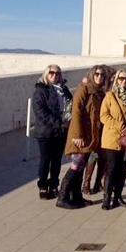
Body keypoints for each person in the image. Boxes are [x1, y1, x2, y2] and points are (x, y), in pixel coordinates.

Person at [57, 65, 106, 209]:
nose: (99, 77)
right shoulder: (83, 88)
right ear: (92, 75)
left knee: (81, 166)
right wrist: (77, 134)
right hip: (80, 135)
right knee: (76, 165)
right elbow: (76, 111)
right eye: (96, 74)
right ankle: (62, 196)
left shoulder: (98, 92)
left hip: (90, 135)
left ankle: (76, 196)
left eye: (102, 75)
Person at [32, 65, 73, 200]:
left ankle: (54, 185)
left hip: (60, 132)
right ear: (46, 74)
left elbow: (71, 105)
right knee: (45, 159)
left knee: (56, 160)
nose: (54, 76)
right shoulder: (41, 90)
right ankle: (43, 186)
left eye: (57, 73)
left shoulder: (64, 89)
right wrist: (57, 122)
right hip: (46, 132)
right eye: (51, 73)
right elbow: (40, 111)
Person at [99, 69, 126, 210]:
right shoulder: (110, 96)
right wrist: (120, 125)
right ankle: (107, 197)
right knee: (112, 168)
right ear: (116, 80)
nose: (123, 81)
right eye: (120, 78)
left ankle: (118, 196)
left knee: (123, 169)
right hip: (112, 138)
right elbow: (103, 116)